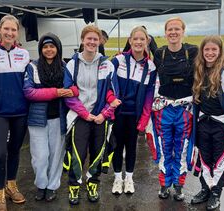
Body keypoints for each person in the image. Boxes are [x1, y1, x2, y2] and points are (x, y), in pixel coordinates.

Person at [190, 35, 224, 210]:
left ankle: (216, 193)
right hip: (203, 122)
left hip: (222, 125)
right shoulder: (199, 70)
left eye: (214, 49)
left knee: (220, 160)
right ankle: (205, 189)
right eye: (207, 49)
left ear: (220, 51)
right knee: (204, 157)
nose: (210, 53)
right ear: (202, 51)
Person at [64, 25, 116, 205]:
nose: (92, 42)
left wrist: (104, 114)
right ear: (82, 40)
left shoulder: (107, 64)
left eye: (96, 39)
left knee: (97, 153)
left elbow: (112, 93)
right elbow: (68, 95)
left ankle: (93, 183)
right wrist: (85, 114)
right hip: (79, 116)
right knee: (77, 154)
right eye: (89, 39)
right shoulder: (72, 64)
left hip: (100, 116)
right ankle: (74, 187)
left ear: (100, 41)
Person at [23, 33, 78, 202]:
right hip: (37, 120)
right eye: (45, 47)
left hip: (58, 118)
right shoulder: (32, 67)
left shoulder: (65, 67)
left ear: (58, 48)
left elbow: (76, 87)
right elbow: (28, 92)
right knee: (40, 156)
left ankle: (52, 187)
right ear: (41, 49)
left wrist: (73, 91)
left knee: (56, 156)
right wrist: (56, 92)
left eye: (52, 46)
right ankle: (41, 185)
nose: (49, 50)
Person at [0, 14, 29, 211]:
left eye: (14, 29)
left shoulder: (24, 54)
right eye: (6, 29)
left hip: (20, 111)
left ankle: (12, 185)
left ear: (17, 33)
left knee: (14, 151)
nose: (10, 33)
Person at [149, 17, 198, 201]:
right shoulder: (160, 53)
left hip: (185, 111)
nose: (173, 32)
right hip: (164, 110)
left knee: (182, 148)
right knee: (164, 147)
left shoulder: (192, 51)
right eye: (170, 29)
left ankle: (178, 185)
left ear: (183, 32)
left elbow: (208, 67)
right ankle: (164, 184)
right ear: (165, 33)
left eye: (177, 29)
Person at [110, 26, 156, 195]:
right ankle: (117, 178)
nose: (138, 42)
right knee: (116, 146)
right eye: (135, 39)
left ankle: (129, 178)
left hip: (134, 116)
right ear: (129, 41)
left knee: (131, 147)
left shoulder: (150, 67)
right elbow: (107, 84)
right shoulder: (118, 60)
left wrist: (144, 120)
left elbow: (149, 96)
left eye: (142, 39)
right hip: (117, 114)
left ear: (147, 42)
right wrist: (110, 104)